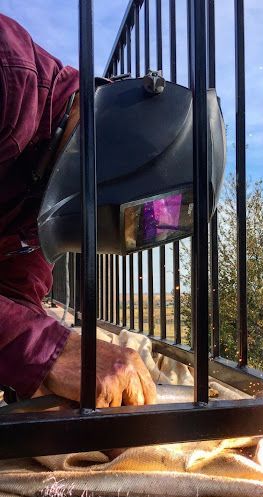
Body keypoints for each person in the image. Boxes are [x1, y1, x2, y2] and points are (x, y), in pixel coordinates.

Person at [0, 14, 156, 407]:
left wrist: (48, 369)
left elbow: (17, 299)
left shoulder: (38, 199)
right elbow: (30, 340)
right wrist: (53, 349)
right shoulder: (11, 79)